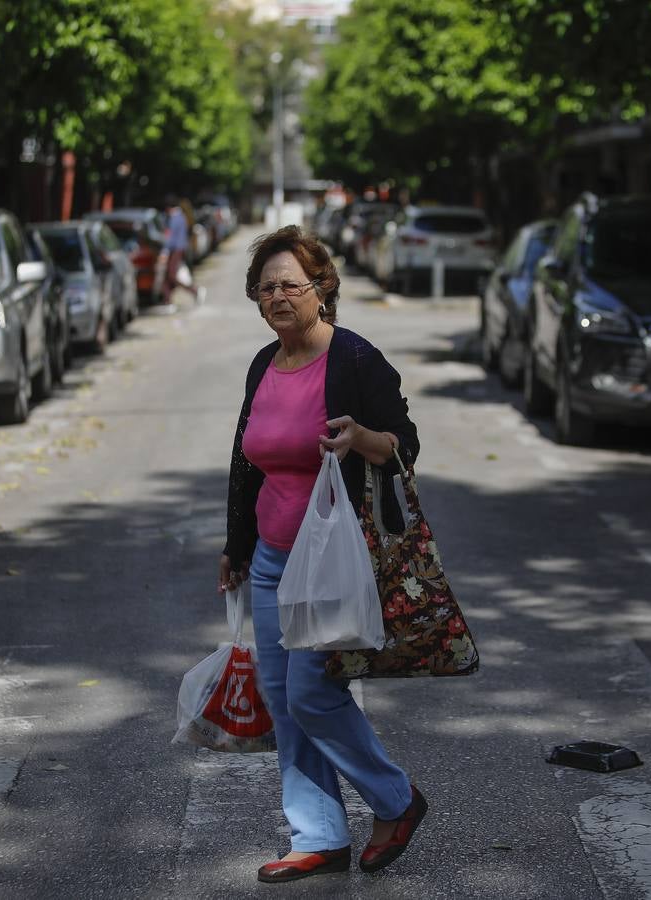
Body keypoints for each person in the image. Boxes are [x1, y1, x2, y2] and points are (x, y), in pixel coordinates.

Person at [219, 226, 428, 884]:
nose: (279, 296)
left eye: (292, 284)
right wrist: (236, 548)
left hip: (336, 559)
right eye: (267, 286)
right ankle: (318, 833)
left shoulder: (355, 361)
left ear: (322, 290)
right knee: (283, 701)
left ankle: (396, 799)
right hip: (273, 561)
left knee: (313, 694)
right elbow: (245, 463)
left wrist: (361, 436)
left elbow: (405, 445)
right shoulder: (263, 364)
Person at [162, 196, 204, 305]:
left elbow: (171, 237)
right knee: (168, 276)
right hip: (180, 249)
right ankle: (168, 300)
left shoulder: (174, 217)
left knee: (172, 275)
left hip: (176, 250)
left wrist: (165, 251)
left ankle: (194, 290)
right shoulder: (181, 216)